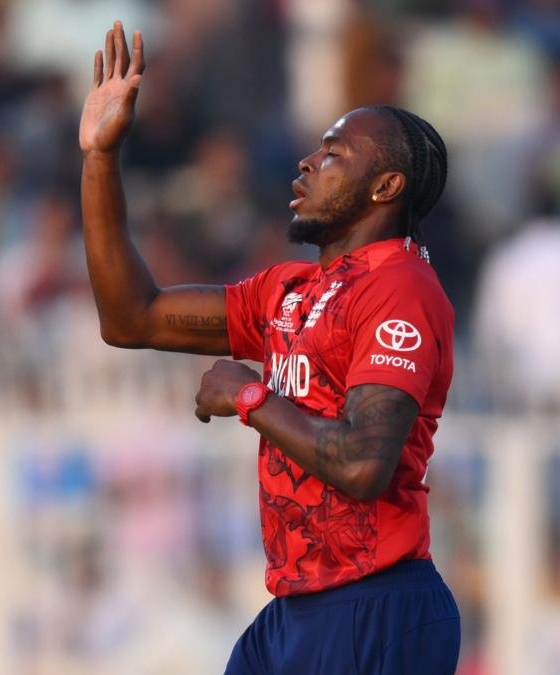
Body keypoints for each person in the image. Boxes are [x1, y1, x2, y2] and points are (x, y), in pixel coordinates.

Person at [79, 22, 460, 674]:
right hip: (296, 607)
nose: (308, 162)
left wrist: (251, 397)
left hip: (375, 604)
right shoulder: (289, 288)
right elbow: (131, 318)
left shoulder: (400, 286)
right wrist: (99, 158)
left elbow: (364, 463)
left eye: (335, 154)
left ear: (386, 188)